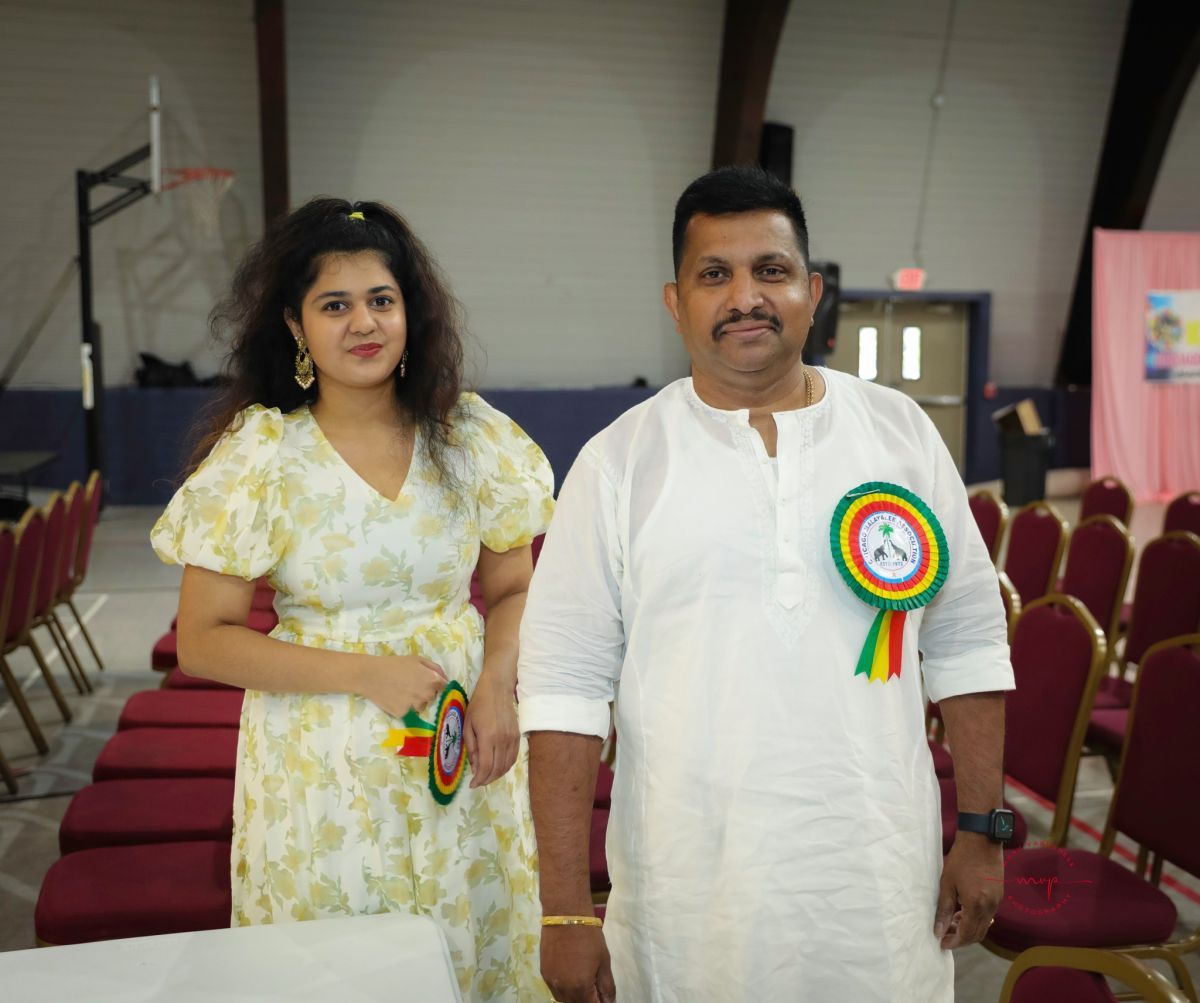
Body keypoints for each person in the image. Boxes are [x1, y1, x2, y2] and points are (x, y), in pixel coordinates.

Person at [517, 166, 1015, 1002]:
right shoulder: (617, 463)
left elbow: (967, 638)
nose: (745, 296)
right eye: (715, 274)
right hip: (688, 900)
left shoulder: (899, 433)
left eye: (771, 270)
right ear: (676, 302)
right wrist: (565, 907)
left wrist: (981, 829)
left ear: (812, 293)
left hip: (875, 888)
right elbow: (563, 690)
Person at [151, 198, 554, 1002]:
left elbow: (513, 586)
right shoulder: (263, 455)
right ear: (296, 325)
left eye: (381, 300)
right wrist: (366, 674)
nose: (363, 323)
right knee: (337, 963)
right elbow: (204, 639)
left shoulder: (469, 437)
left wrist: (497, 682)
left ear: (411, 312)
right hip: (320, 759)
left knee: (471, 940)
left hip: (462, 743)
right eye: (334, 305)